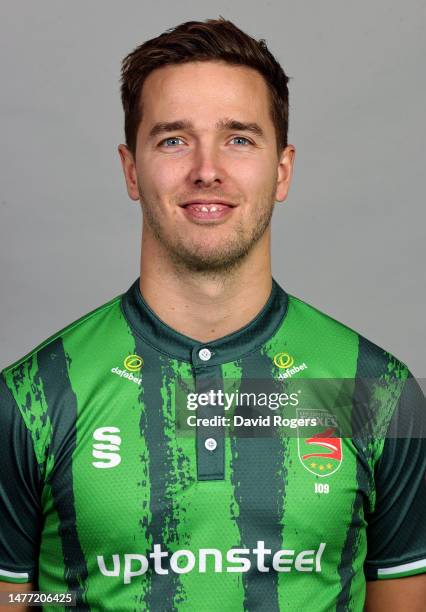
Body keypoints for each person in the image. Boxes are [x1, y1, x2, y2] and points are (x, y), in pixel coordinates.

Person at [0, 17, 425, 612]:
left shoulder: (374, 389)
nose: (207, 169)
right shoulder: (33, 397)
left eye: (240, 138)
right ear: (130, 169)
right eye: (174, 139)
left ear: (282, 170)